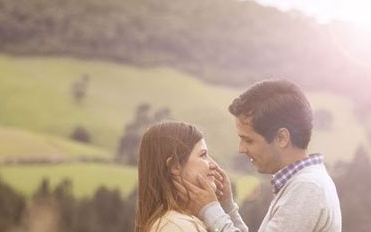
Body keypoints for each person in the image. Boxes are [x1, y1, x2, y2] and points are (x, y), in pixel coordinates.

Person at [183, 79, 342, 232]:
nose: (241, 149)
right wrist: (227, 206)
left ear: (281, 138)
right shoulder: (303, 183)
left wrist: (210, 211)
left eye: (248, 140)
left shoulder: (307, 188)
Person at [135, 120, 245, 232]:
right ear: (175, 166)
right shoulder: (178, 226)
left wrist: (226, 207)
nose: (213, 165)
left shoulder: (176, 222)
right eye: (203, 155)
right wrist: (212, 211)